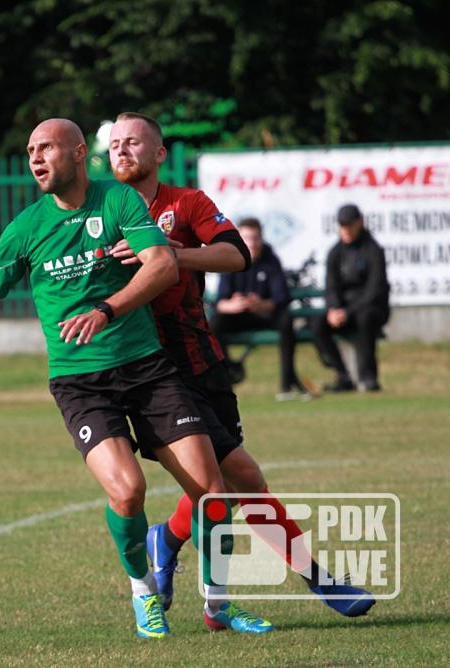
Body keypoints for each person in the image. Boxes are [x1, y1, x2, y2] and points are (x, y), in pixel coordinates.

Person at [0, 118, 269, 639]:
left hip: (148, 369)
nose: (36, 158)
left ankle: (219, 606)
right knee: (128, 492)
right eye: (30, 151)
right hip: (81, 383)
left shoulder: (118, 202)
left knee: (212, 492)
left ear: (80, 153)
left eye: (47, 148)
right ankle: (143, 592)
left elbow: (161, 265)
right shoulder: (24, 229)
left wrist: (107, 310)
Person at [107, 111, 374, 621]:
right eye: (115, 143)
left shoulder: (186, 203)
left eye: (134, 142)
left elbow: (234, 257)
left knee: (221, 489)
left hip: (202, 361)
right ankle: (321, 580)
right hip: (150, 373)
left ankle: (167, 537)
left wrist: (170, 254)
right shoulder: (101, 212)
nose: (123, 151)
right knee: (245, 478)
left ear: (159, 153)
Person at [208, 218, 309, 400]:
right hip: (239, 316)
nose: (252, 243)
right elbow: (220, 302)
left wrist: (260, 304)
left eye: (256, 238)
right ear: (240, 238)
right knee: (215, 324)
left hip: (264, 314)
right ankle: (227, 376)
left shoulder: (271, 260)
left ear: (262, 239)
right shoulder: (231, 258)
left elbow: (280, 299)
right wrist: (234, 305)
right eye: (247, 238)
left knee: (286, 321)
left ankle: (287, 384)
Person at [310, 204, 390, 392]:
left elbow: (375, 289)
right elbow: (331, 287)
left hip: (370, 308)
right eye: (342, 225)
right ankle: (343, 376)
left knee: (365, 319)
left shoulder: (373, 250)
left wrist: (348, 311)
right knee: (317, 324)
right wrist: (334, 309)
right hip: (343, 311)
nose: (346, 229)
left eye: (349, 225)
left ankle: (369, 377)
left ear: (359, 223)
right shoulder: (335, 252)